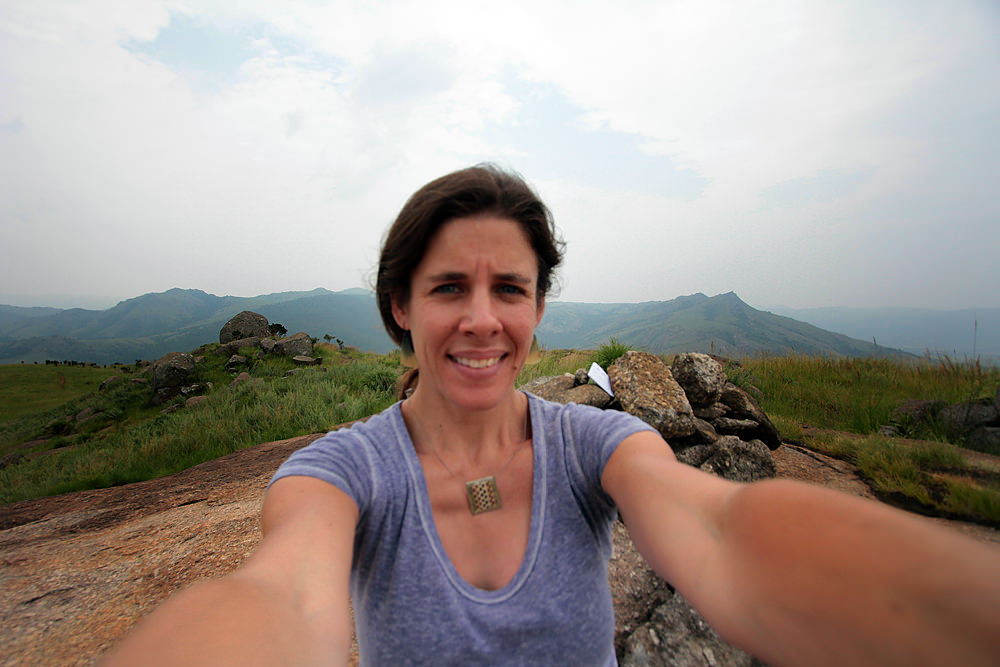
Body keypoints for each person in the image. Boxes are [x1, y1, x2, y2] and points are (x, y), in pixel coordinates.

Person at [102, 165, 1000, 666]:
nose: (482, 318)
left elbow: (722, 532)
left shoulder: (595, 443)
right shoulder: (345, 470)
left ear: (537, 308)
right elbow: (285, 598)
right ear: (400, 307)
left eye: (510, 288)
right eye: (447, 287)